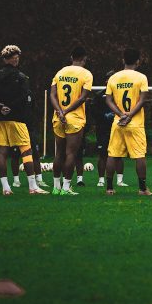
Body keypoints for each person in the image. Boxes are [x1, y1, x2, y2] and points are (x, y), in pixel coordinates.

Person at [0, 45, 48, 195]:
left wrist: (0, 107)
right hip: (17, 119)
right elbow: (25, 97)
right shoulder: (21, 77)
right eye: (16, 57)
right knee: (26, 150)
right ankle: (33, 187)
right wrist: (10, 107)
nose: (17, 60)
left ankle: (6, 188)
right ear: (13, 59)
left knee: (1, 153)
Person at [103, 48, 152, 196]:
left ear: (123, 60)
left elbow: (108, 100)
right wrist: (130, 115)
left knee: (113, 154)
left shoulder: (114, 78)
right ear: (138, 61)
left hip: (118, 122)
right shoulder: (141, 77)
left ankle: (109, 188)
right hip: (135, 123)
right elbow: (142, 100)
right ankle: (142, 189)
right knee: (139, 155)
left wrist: (120, 114)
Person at [49, 46, 94, 195]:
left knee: (59, 154)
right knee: (70, 154)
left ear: (71, 57)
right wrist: (67, 111)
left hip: (58, 118)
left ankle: (56, 187)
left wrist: (59, 111)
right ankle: (66, 188)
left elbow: (52, 95)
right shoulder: (86, 74)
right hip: (74, 119)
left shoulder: (60, 72)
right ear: (84, 59)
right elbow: (82, 98)